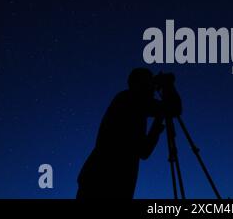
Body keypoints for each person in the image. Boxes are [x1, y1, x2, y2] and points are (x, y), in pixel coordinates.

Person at [76, 68, 182, 199]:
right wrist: (168, 85)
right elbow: (174, 108)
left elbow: (144, 151)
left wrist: (159, 117)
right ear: (140, 84)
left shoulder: (130, 103)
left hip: (107, 181)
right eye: (149, 83)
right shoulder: (129, 98)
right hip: (104, 181)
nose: (153, 89)